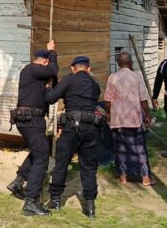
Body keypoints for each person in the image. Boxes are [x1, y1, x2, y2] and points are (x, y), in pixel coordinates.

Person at [44, 56, 102, 218]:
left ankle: (55, 200)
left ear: (72, 68)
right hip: (91, 127)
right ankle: (90, 206)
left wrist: (49, 87)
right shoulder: (94, 84)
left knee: (62, 162)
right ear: (88, 69)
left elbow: (50, 99)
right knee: (89, 166)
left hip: (72, 127)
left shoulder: (69, 80)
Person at [7, 40, 58, 216]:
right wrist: (53, 52)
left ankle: (18, 181)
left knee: (38, 151)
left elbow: (51, 95)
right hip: (31, 120)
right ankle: (31, 202)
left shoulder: (37, 77)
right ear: (43, 62)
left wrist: (50, 85)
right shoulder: (31, 68)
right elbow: (53, 70)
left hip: (29, 120)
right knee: (42, 157)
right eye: (47, 62)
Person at [104, 52, 154, 186]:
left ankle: (123, 177)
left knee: (120, 147)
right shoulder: (137, 76)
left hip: (118, 119)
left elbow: (107, 100)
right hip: (134, 119)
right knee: (139, 148)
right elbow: (143, 99)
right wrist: (147, 115)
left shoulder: (113, 77)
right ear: (131, 63)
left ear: (119, 64)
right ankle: (145, 178)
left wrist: (108, 113)